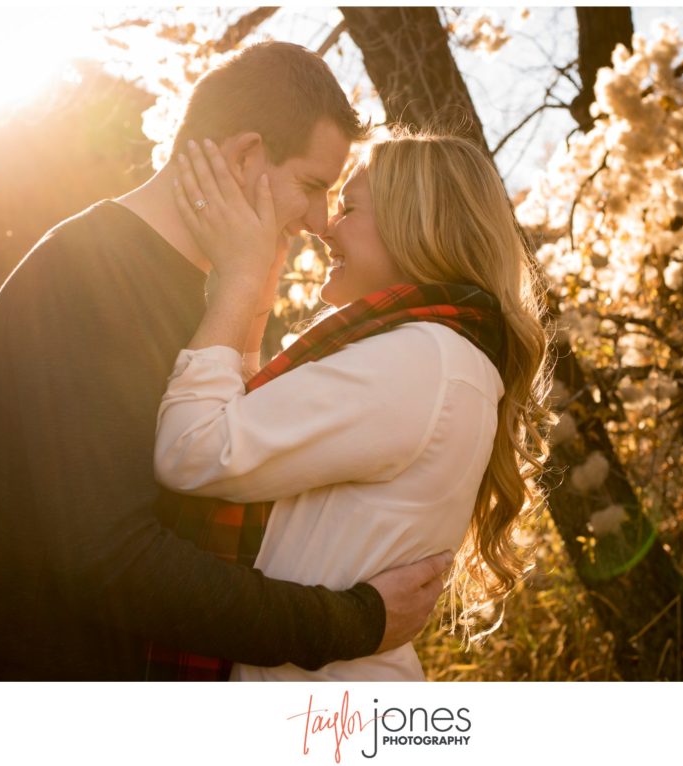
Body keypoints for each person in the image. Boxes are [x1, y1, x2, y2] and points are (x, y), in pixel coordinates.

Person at [0, 42, 451, 681]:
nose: (320, 220)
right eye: (312, 186)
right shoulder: (77, 280)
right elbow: (113, 561)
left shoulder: (221, 298)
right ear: (242, 157)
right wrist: (352, 623)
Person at [153, 131, 550, 681]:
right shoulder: (436, 355)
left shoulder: (419, 359)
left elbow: (192, 449)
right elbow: (252, 422)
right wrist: (261, 286)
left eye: (349, 207)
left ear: (414, 222)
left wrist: (236, 283)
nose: (326, 228)